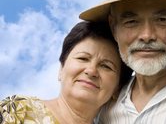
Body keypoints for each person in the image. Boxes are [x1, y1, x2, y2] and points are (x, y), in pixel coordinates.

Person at [0, 21, 133, 124]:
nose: (91, 71)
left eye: (106, 66)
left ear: (118, 88)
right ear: (61, 70)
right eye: (83, 58)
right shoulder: (18, 110)